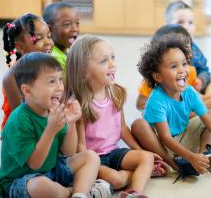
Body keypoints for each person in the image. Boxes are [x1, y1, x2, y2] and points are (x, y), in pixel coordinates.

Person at [0, 52, 112, 198]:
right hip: (20, 182)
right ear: (27, 90)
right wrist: (50, 130)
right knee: (41, 186)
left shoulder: (53, 110)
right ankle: (70, 192)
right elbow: (35, 164)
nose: (59, 87)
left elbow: (69, 152)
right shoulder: (18, 121)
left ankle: (79, 195)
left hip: (51, 170)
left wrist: (70, 123)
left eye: (60, 80)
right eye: (52, 82)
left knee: (91, 157)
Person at [132, 38, 211, 181]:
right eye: (173, 66)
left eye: (184, 64)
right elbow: (166, 138)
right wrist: (190, 156)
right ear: (158, 76)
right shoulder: (157, 100)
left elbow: (210, 122)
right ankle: (175, 164)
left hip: (182, 135)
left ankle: (203, 156)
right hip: (162, 144)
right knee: (138, 125)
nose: (182, 70)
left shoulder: (189, 91)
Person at [65, 35, 158, 197]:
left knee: (147, 158)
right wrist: (87, 167)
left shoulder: (116, 93)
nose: (112, 65)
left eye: (113, 58)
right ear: (84, 72)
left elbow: (122, 129)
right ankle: (131, 176)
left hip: (114, 152)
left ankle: (134, 194)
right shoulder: (78, 104)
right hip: (93, 159)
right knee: (116, 179)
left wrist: (140, 152)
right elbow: (80, 146)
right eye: (104, 61)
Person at [136, 24, 211, 112]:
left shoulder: (190, 71)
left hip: (186, 110)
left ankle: (190, 115)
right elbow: (140, 104)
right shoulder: (154, 78)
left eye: (186, 49)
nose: (182, 55)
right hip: (165, 115)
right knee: (140, 124)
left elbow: (193, 97)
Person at [1, 13, 54, 131]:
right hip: (23, 131)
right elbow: (21, 118)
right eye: (39, 38)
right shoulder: (11, 76)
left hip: (45, 122)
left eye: (49, 36)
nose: (48, 42)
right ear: (20, 47)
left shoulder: (49, 66)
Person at [165, 0, 211, 98]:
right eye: (180, 22)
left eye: (190, 22)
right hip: (178, 87)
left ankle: (208, 97)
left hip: (195, 85)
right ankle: (204, 102)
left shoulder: (194, 48)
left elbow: (204, 69)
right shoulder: (166, 49)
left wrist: (201, 80)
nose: (186, 26)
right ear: (167, 27)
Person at [43, 1, 80, 71]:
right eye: (67, 24)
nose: (75, 29)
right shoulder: (54, 59)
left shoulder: (68, 50)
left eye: (77, 23)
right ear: (49, 29)